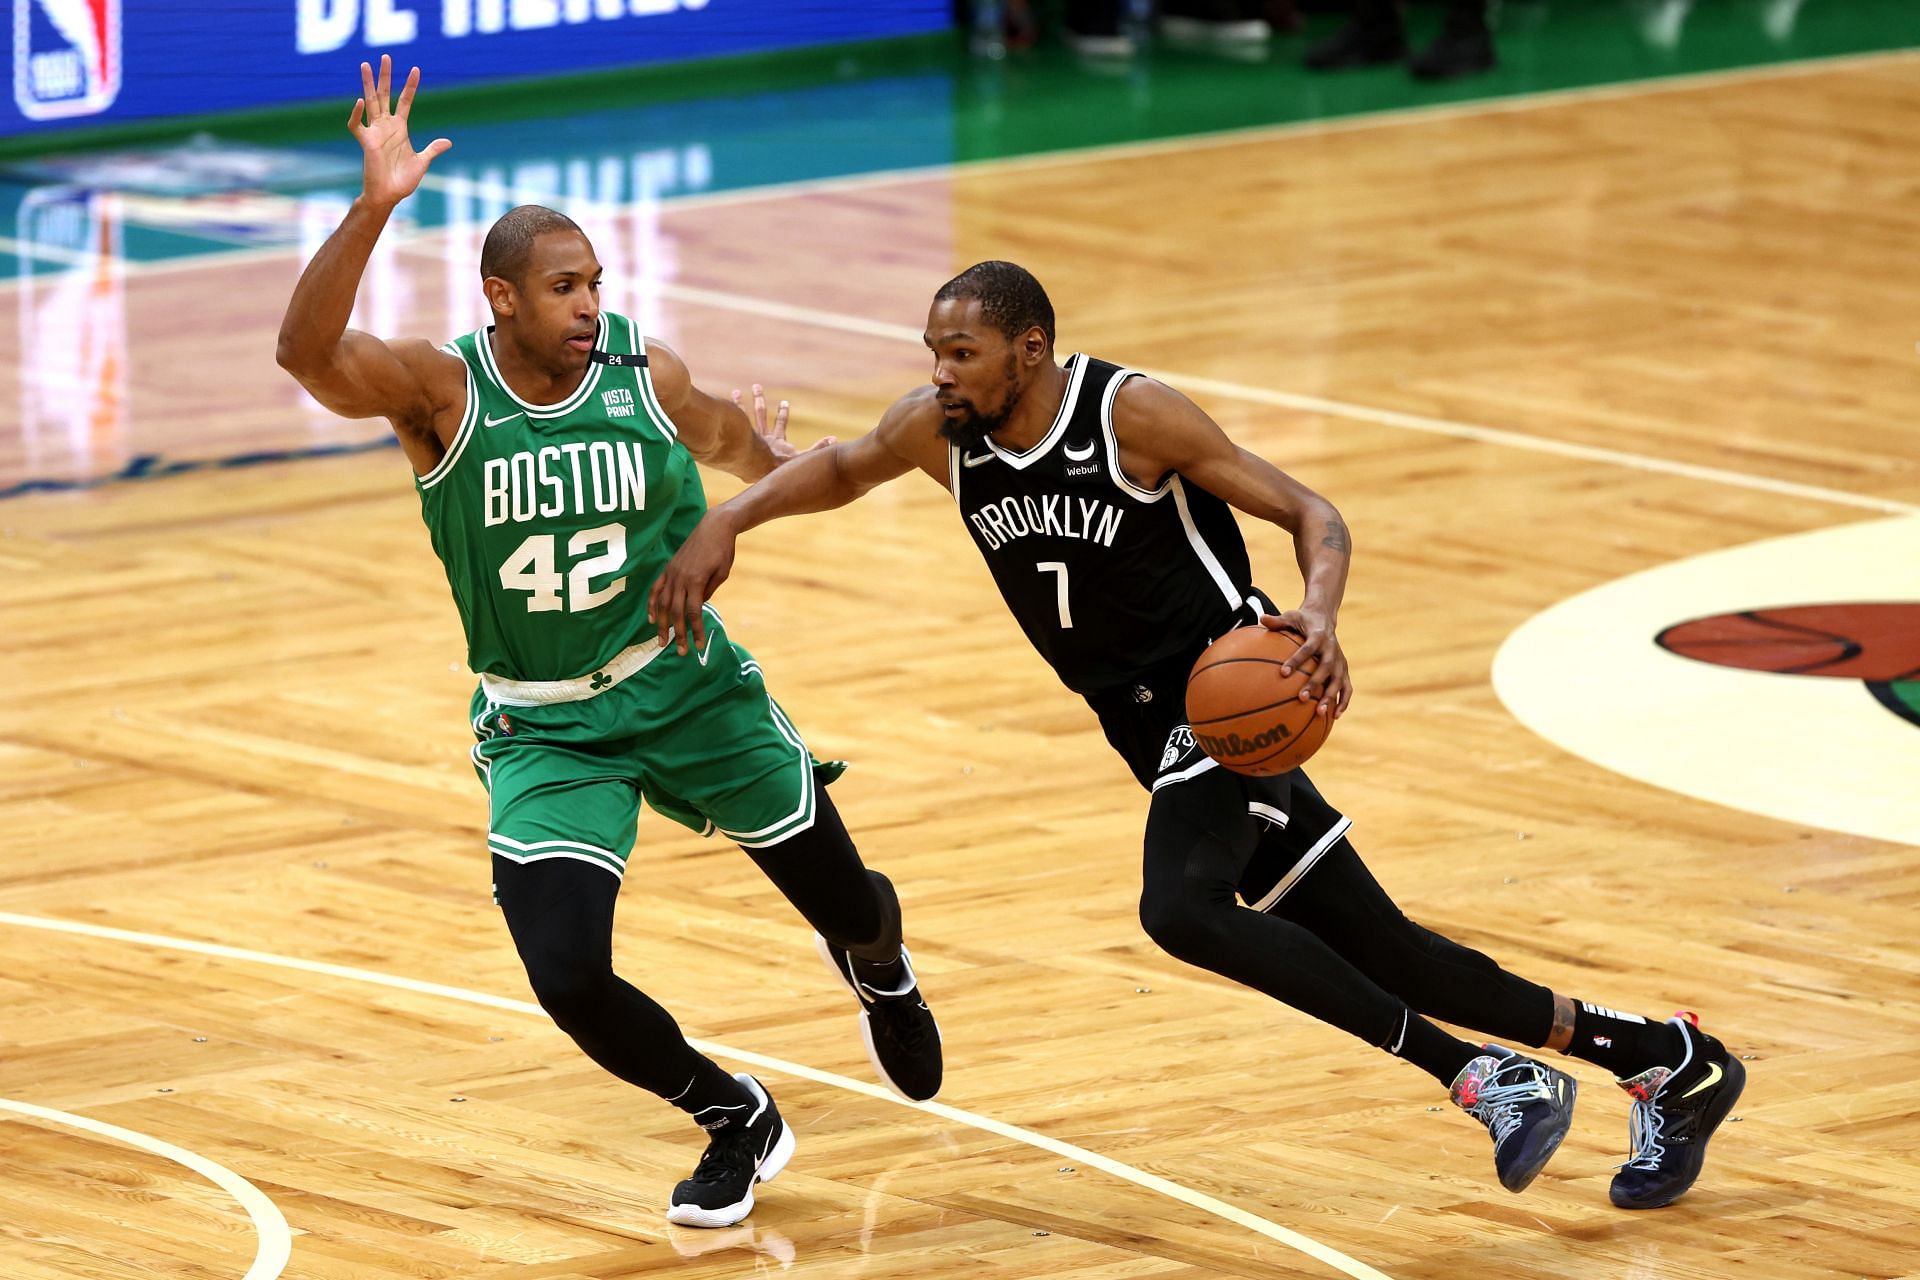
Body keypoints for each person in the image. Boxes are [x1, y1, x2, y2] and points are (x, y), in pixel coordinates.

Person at [650, 260, 1745, 1208]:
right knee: (1396, 953)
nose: (941, 371)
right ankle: (1666, 1060)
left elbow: (1314, 514)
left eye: (963, 351)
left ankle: (1481, 1077)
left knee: (1178, 908)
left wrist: (1317, 613)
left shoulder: (1131, 418)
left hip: (1225, 704)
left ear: (1029, 350)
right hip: (1146, 731)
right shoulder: (943, 433)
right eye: (933, 351)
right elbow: (840, 468)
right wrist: (726, 517)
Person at [274, 57, 942, 1230]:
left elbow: (747, 453)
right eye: (564, 285)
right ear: (501, 298)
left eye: (595, 281)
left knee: (850, 902)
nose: (590, 303)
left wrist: (771, 479)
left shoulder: (642, 370)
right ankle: (733, 1111)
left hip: (687, 686)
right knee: (569, 975)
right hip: (544, 725)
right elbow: (305, 354)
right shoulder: (439, 395)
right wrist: (375, 206)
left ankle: (876, 960)